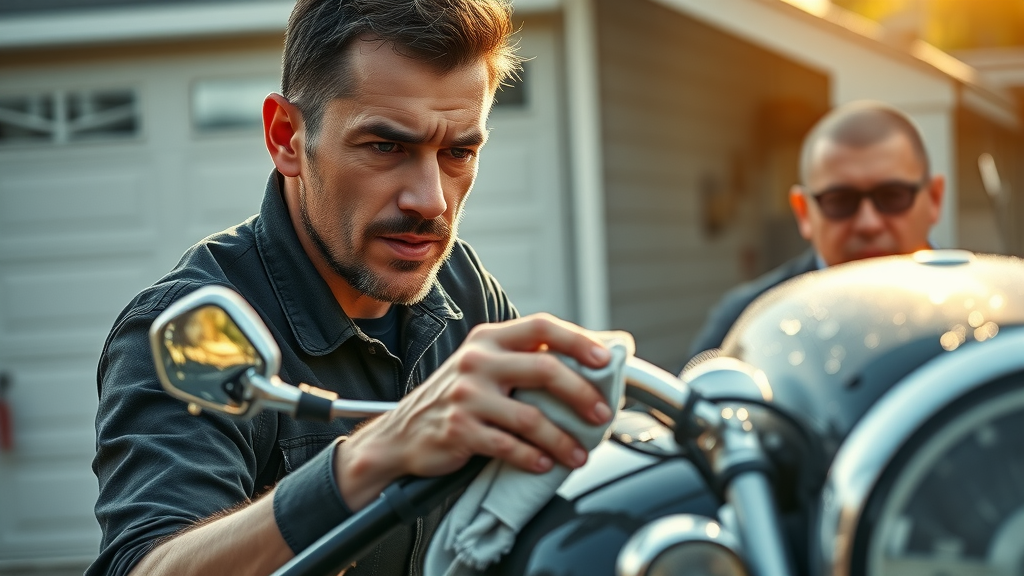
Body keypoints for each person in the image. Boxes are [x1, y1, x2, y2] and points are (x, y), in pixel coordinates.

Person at [87, 2, 617, 575]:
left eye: (459, 152)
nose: (431, 200)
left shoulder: (464, 289)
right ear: (287, 137)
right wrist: (370, 458)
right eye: (386, 147)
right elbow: (146, 568)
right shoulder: (196, 328)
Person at [687, 100, 945, 359]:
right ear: (803, 212)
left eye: (892, 196)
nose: (869, 223)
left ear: (934, 198)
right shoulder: (746, 325)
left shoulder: (976, 310)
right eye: (840, 200)